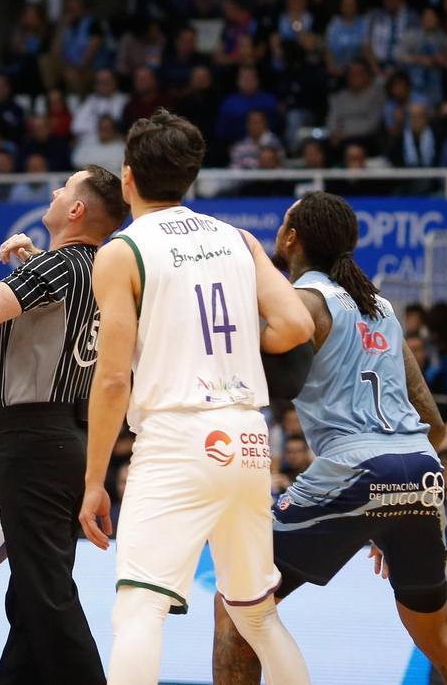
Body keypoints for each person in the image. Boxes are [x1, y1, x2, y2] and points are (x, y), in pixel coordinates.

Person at [212, 192, 447, 685]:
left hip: (356, 466)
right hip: (421, 468)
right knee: (439, 636)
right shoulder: (380, 306)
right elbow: (433, 420)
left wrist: (375, 490)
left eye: (283, 224)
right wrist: (392, 507)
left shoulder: (302, 304)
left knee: (236, 603)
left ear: (291, 237)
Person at [82, 110, 314, 684]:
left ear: (128, 176)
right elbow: (294, 325)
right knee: (255, 613)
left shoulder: (121, 251)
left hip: (177, 435)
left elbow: (112, 380)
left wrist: (92, 481)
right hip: (247, 433)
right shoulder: (235, 238)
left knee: (138, 608)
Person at [0, 167, 128, 685]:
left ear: (76, 211)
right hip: (70, 437)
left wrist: (19, 275)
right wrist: (32, 266)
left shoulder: (56, 267)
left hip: (35, 440)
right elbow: (63, 320)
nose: (53, 193)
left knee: (45, 594)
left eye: (64, 189)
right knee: (30, 596)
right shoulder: (106, 268)